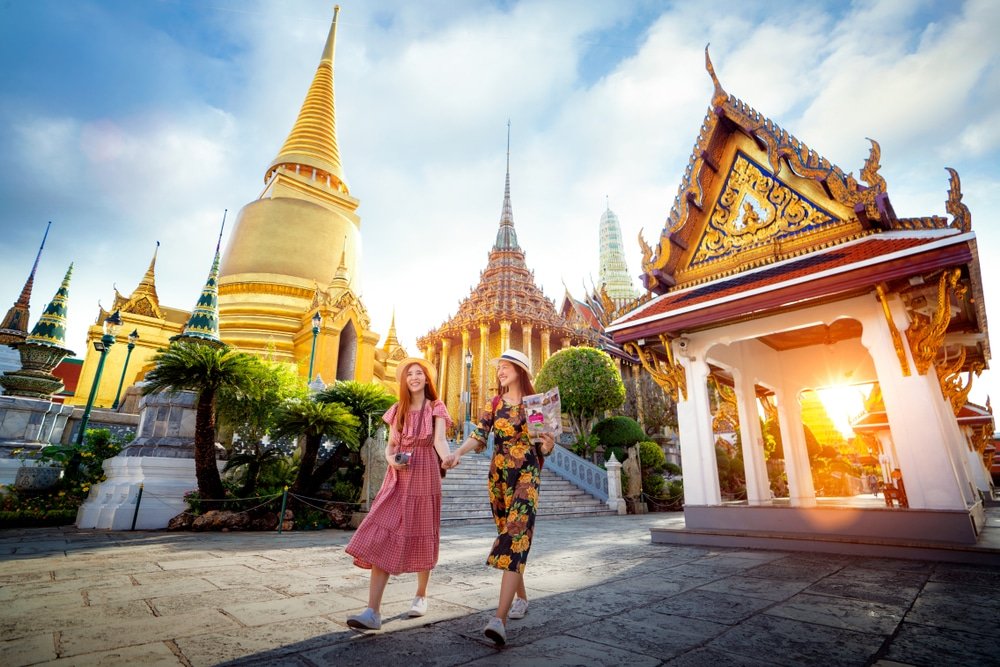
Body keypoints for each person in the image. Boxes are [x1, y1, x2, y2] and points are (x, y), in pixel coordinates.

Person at [444, 348, 555, 646]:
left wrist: (547, 443)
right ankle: (522, 598)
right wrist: (457, 452)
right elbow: (479, 435)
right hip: (498, 478)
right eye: (499, 367)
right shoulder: (493, 404)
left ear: (520, 370)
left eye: (506, 366)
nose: (501, 371)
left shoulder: (535, 404)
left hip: (527, 476)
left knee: (516, 534)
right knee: (508, 535)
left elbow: (544, 447)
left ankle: (499, 619)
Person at [344, 357, 452, 631]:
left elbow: (439, 440)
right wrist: (392, 460)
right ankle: (372, 611)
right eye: (409, 374)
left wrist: (449, 458)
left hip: (426, 474)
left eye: (419, 373)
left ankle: (421, 595)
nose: (414, 377)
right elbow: (390, 446)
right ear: (403, 380)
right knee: (383, 532)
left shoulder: (436, 407)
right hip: (398, 478)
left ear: (427, 379)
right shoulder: (398, 410)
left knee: (423, 532)